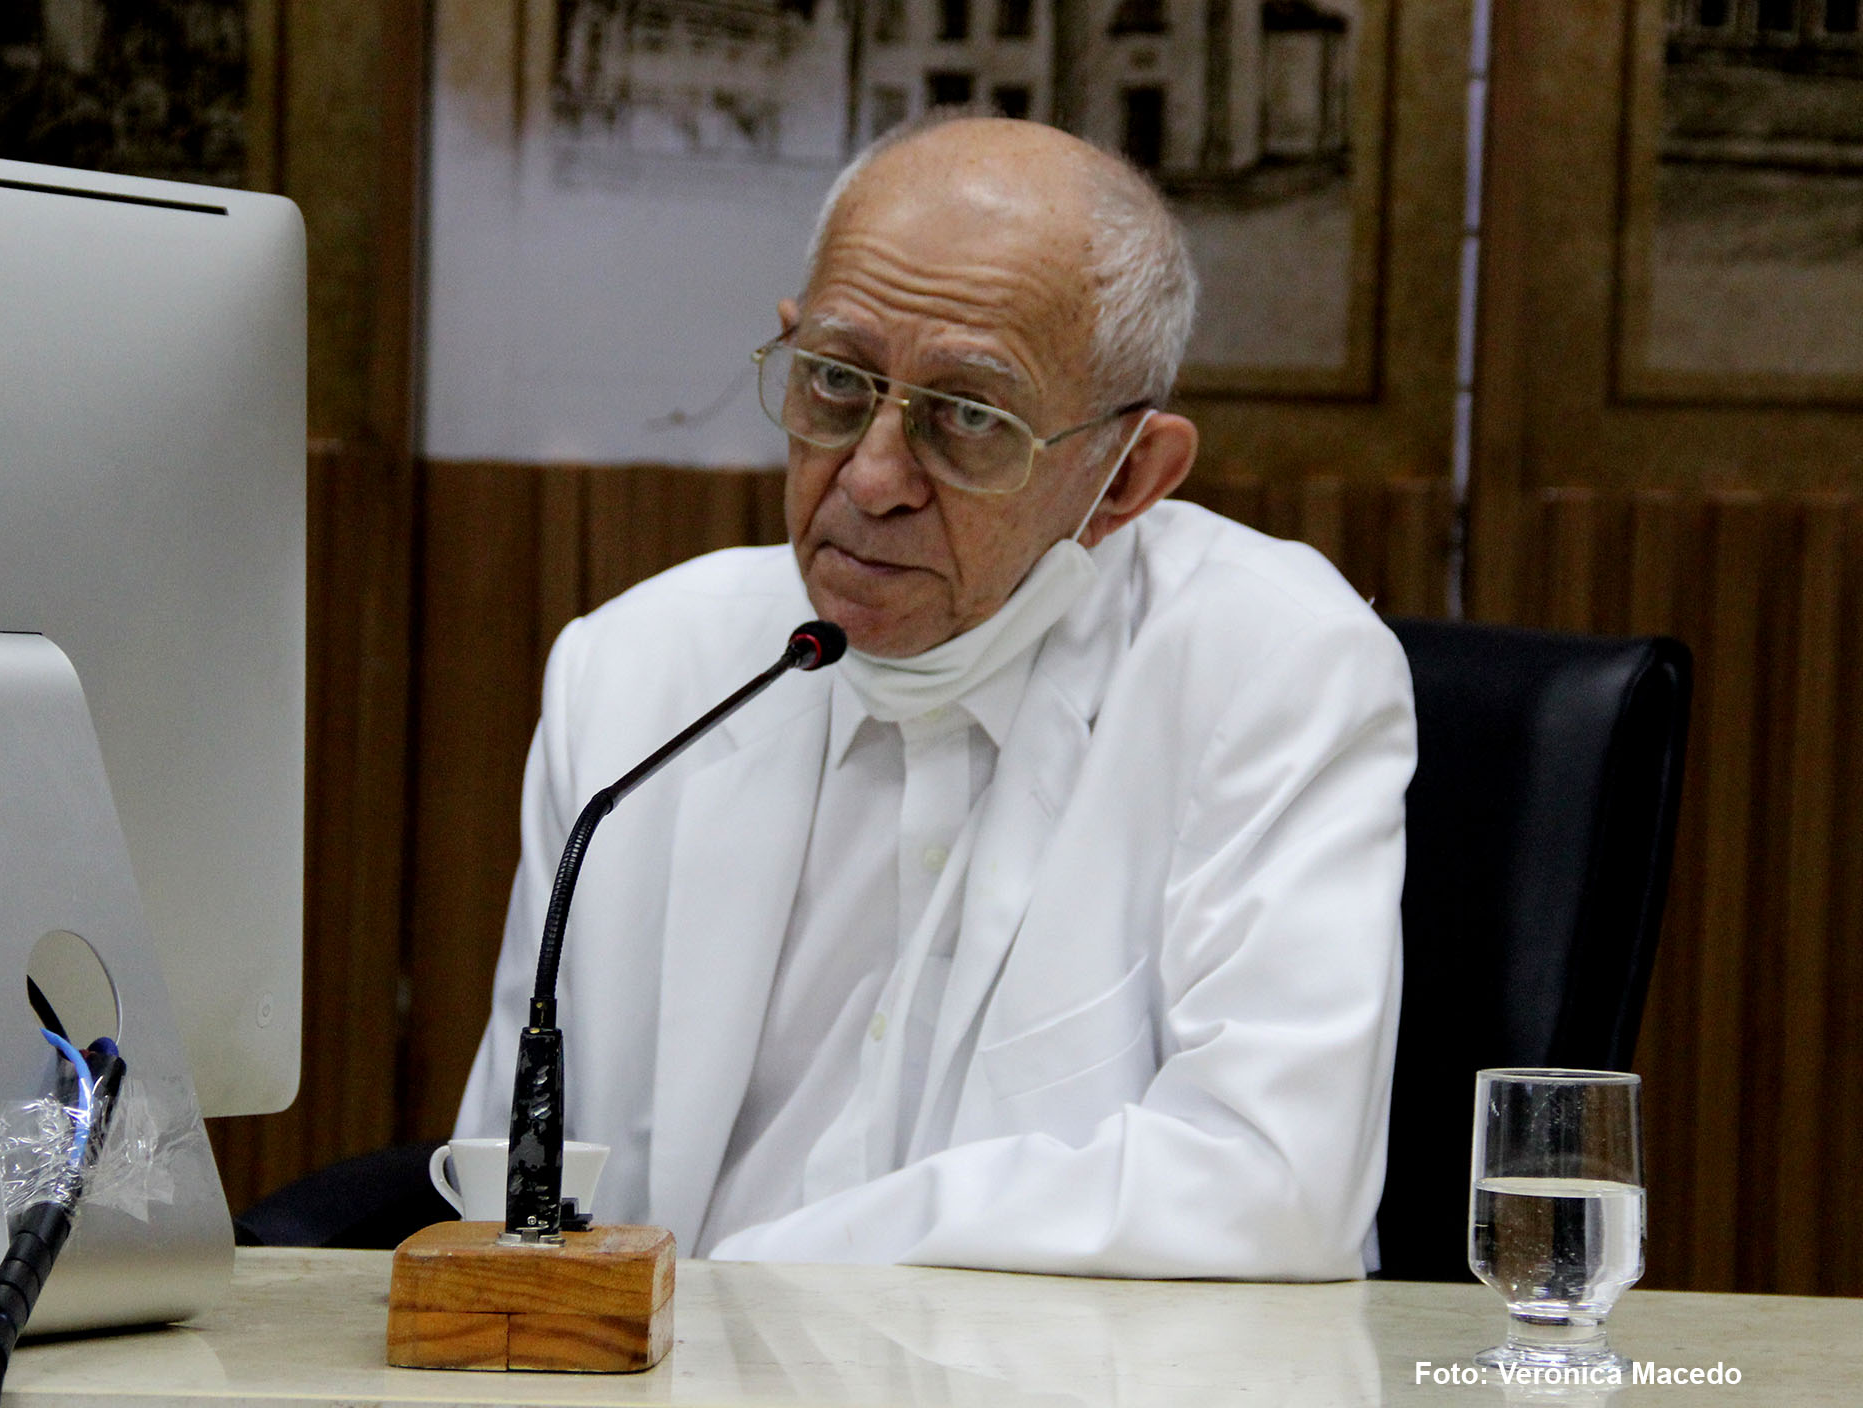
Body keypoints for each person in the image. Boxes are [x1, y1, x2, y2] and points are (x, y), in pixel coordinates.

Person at [455, 116, 1415, 1279]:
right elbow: (512, 1183)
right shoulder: (636, 675)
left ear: (1126, 478)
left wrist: (762, 1281)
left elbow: (1272, 1185)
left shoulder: (1268, 670)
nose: (870, 477)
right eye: (835, 382)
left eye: (968, 418)